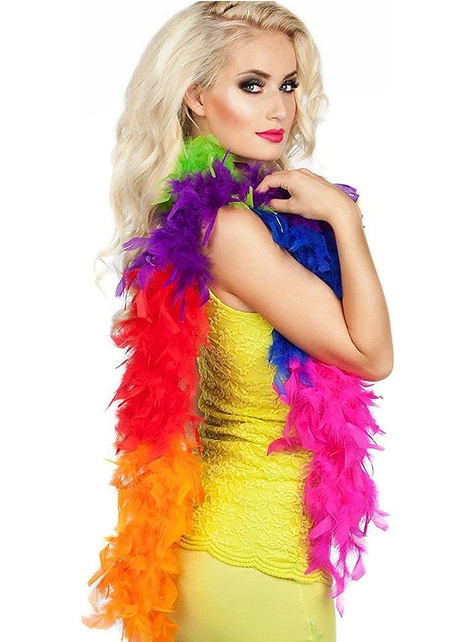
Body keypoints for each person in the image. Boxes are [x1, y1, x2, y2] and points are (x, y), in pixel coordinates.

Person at [85, 2, 393, 641]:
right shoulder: (231, 229)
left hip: (236, 554)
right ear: (196, 97)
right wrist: (346, 218)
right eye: (252, 86)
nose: (279, 108)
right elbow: (371, 355)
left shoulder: (211, 217)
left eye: (289, 85)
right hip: (256, 569)